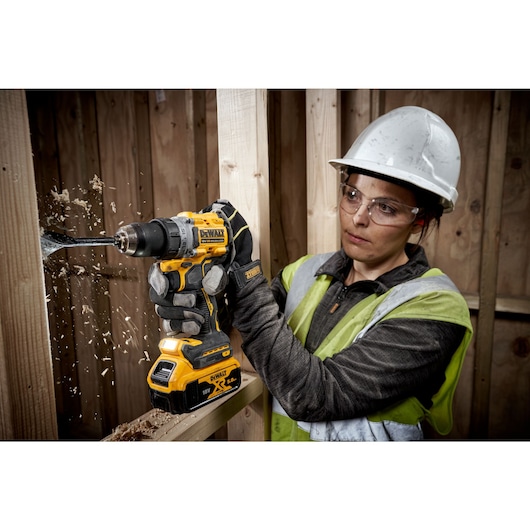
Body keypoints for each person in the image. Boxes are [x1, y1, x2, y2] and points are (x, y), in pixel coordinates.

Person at [148, 105, 474, 441]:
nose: (358, 217)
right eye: (352, 195)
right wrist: (206, 304)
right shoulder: (304, 272)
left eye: (385, 207)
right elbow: (244, 346)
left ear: (419, 221)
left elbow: (315, 395)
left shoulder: (435, 309)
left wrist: (245, 279)